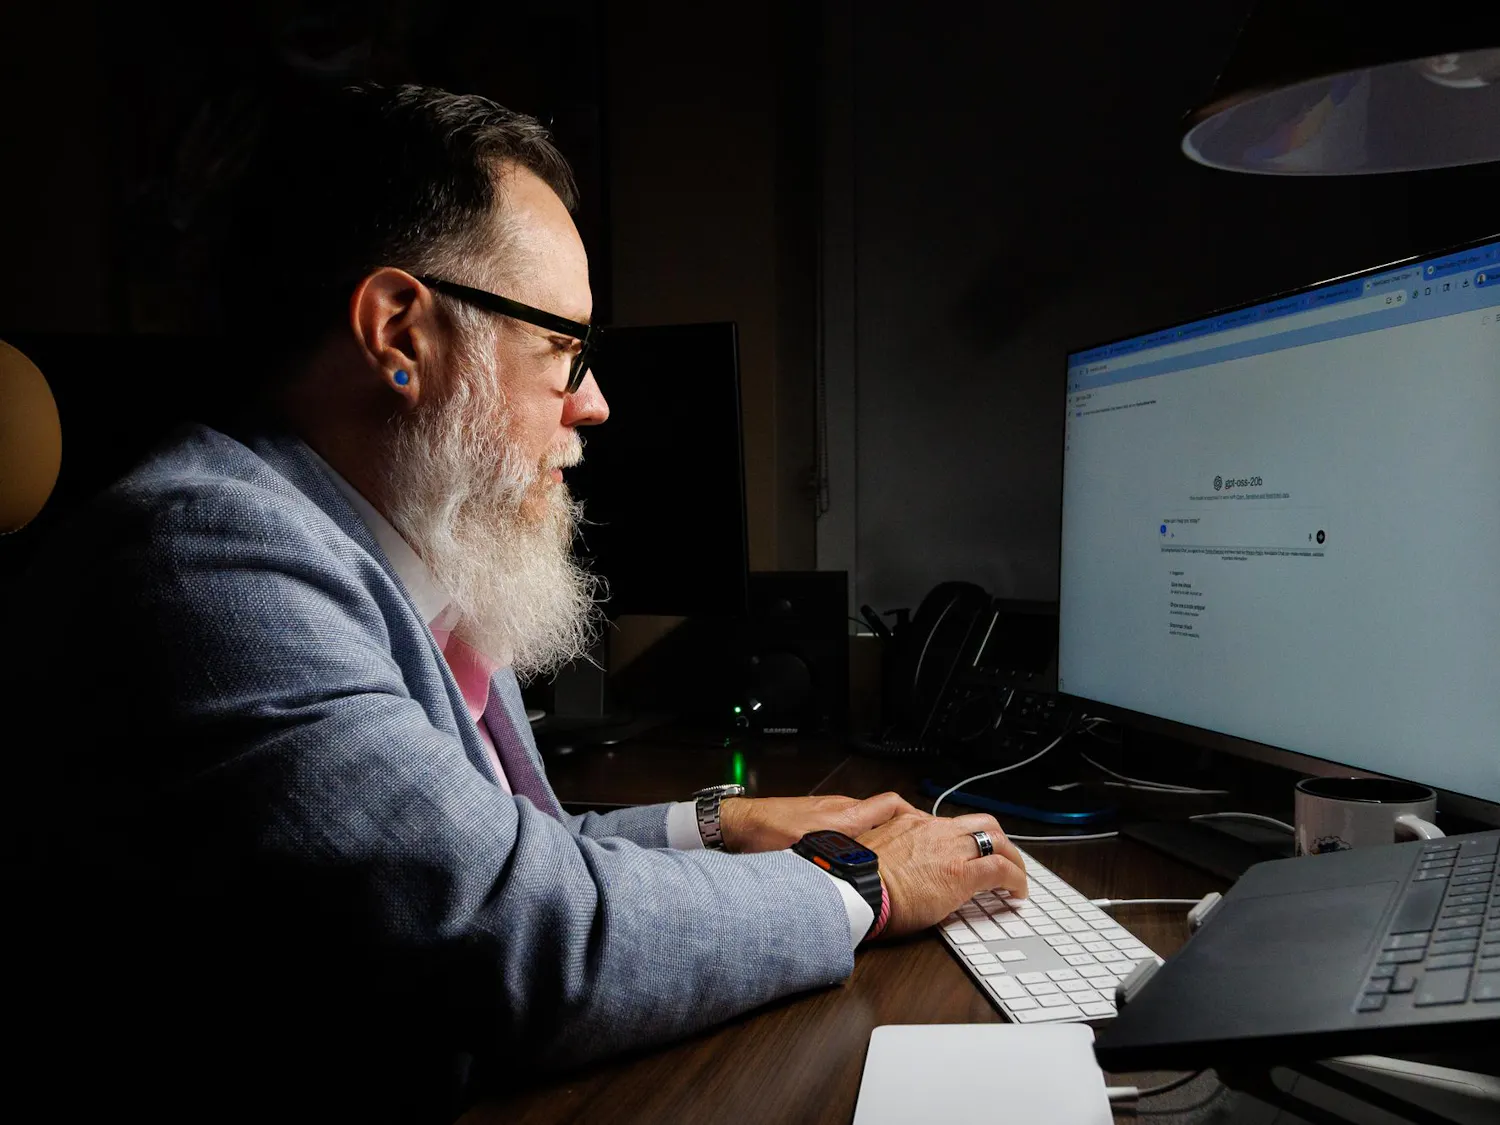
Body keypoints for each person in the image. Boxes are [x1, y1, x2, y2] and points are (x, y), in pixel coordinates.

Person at [10, 83, 1025, 1123]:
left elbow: (501, 848)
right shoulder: (207, 557)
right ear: (400, 331)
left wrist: (719, 821)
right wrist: (860, 881)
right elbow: (513, 928)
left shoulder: (342, 544)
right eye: (561, 346)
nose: (594, 401)